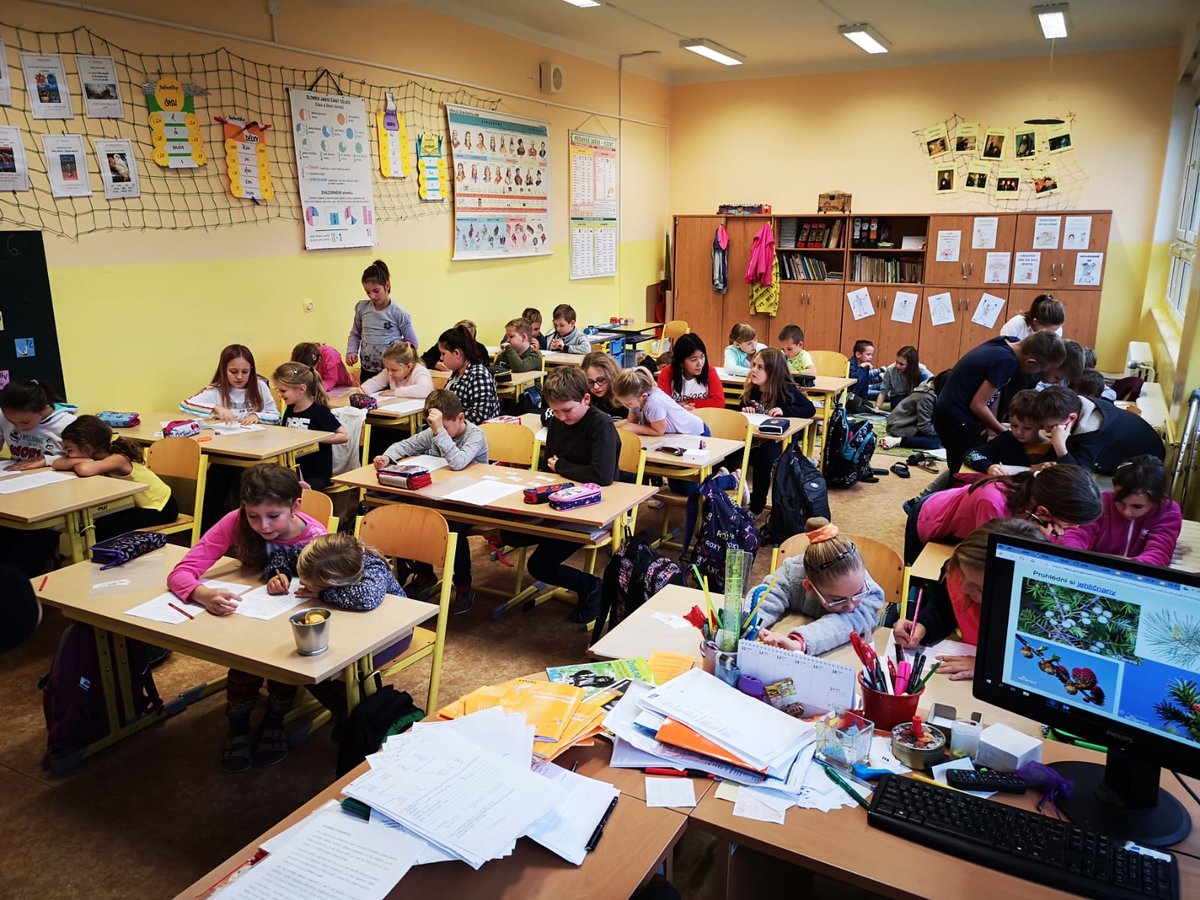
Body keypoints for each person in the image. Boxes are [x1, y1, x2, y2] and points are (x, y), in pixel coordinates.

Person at [167, 465, 326, 772]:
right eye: (253, 516)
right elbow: (183, 571)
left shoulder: (316, 538)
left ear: (296, 506)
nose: (263, 526)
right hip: (248, 617)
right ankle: (238, 723)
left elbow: (329, 592)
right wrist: (202, 594)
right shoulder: (235, 521)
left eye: (273, 516)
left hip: (291, 623)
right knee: (244, 658)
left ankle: (274, 720)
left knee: (284, 661)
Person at [502, 367, 619, 624]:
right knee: (509, 533)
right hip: (560, 502)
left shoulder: (601, 425)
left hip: (594, 509)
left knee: (539, 566)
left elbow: (602, 476)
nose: (561, 417)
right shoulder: (557, 421)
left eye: (567, 410)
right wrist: (559, 469)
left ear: (586, 399)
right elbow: (549, 465)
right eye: (555, 411)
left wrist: (562, 466)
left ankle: (592, 586)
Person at [373, 390, 487, 612]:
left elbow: (458, 462)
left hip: (467, 502)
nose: (437, 433)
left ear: (461, 418)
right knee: (413, 519)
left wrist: (440, 432)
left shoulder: (475, 435)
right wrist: (386, 457)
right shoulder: (436, 430)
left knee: (453, 529)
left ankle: (463, 586)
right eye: (435, 428)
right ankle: (424, 575)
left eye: (444, 427)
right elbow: (405, 445)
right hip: (437, 496)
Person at [893, 519, 1047, 681]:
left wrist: (990, 666)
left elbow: (1040, 665)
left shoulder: (1040, 616)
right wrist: (923, 627)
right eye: (963, 577)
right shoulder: (958, 570)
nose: (965, 589)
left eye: (980, 588)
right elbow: (943, 610)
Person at [906, 464, 1101, 564]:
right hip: (930, 519)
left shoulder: (1038, 504)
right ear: (1044, 511)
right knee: (914, 576)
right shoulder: (992, 502)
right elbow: (989, 555)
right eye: (1071, 522)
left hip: (965, 528)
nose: (1075, 528)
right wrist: (1038, 540)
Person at [933, 331, 1066, 473]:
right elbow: (978, 405)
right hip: (955, 419)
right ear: (1031, 362)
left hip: (953, 414)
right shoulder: (1006, 361)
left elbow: (991, 395)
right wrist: (1006, 434)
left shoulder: (1010, 342)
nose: (1038, 375)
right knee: (962, 469)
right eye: (1040, 371)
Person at [748, 519, 885, 656]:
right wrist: (749, 624)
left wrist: (800, 642)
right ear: (810, 587)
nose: (850, 606)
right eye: (838, 599)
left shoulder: (870, 594)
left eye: (859, 593)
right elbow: (765, 598)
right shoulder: (791, 574)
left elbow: (847, 622)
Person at [53, 415, 179, 541]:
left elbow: (84, 470)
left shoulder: (118, 459)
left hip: (160, 508)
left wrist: (86, 461)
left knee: (104, 526)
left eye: (69, 450)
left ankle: (105, 552)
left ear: (88, 449)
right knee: (97, 522)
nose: (67, 454)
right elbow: (57, 463)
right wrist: (85, 460)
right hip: (142, 506)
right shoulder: (99, 458)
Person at [1058, 454, 1182, 567]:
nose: (1126, 512)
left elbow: (1159, 555)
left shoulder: (1168, 511)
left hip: (1136, 576)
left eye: (1137, 506)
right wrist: (1074, 557)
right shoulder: (1102, 501)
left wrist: (1117, 569)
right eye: (1119, 501)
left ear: (1157, 499)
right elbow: (1074, 534)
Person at [740, 349, 817, 515]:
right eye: (754, 365)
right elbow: (742, 405)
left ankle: (756, 506)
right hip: (756, 436)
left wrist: (785, 411)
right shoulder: (753, 388)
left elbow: (809, 409)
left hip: (779, 440)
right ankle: (730, 496)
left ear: (773, 371)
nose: (754, 370)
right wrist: (746, 408)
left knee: (763, 459)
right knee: (731, 454)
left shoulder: (786, 389)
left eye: (760, 367)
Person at [1035, 385, 1165, 475]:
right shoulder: (1077, 403)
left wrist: (1060, 447)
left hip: (1142, 469)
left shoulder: (1095, 430)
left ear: (1072, 417)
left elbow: (1078, 475)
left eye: (1051, 426)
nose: (1047, 430)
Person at [264, 533, 403, 613]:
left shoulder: (373, 568)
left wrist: (322, 594)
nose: (300, 582)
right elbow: (282, 554)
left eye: (307, 583)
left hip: (397, 627)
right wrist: (280, 573)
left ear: (332, 581)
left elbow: (366, 598)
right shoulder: (318, 558)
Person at [272, 362, 348, 491]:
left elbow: (343, 436)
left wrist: (315, 438)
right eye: (277, 390)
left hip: (316, 474)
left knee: (293, 492)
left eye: (283, 391)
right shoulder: (290, 409)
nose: (279, 394)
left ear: (302, 389)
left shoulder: (319, 411)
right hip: (293, 471)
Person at [346, 259, 419, 383]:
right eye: (367, 292)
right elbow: (355, 334)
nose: (372, 296)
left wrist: (399, 353)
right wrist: (351, 351)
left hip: (391, 372)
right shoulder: (362, 308)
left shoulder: (398, 313)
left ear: (387, 286)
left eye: (376, 291)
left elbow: (412, 343)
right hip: (367, 370)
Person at [181, 344, 280, 425]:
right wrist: (216, 408)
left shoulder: (260, 386)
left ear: (251, 370)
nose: (239, 377)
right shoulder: (216, 391)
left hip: (256, 439)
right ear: (224, 370)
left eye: (245, 372)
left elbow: (276, 417)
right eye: (233, 372)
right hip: (227, 440)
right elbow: (184, 406)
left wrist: (257, 416)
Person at [961, 389, 1051, 474]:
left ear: (1042, 425)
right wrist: (988, 467)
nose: (1019, 432)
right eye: (1014, 425)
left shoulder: (1051, 448)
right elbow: (971, 454)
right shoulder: (1006, 440)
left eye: (1027, 428)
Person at [0, 378, 77, 470]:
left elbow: (86, 459)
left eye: (25, 422)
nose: (18, 427)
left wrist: (47, 460)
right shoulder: (3, 416)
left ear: (44, 409)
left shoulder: (69, 424)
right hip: (17, 472)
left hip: (55, 474)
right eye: (10, 421)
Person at [612, 366, 707, 438]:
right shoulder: (635, 398)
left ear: (643, 396)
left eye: (628, 404)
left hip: (696, 434)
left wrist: (633, 427)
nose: (627, 407)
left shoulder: (654, 402)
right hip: (677, 437)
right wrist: (611, 426)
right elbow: (631, 421)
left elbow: (658, 431)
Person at [439, 324, 501, 424]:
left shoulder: (478, 375)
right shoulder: (457, 373)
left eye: (443, 353)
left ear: (456, 353)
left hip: (474, 431)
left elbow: (480, 416)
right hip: (453, 428)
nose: (441, 358)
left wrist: (445, 418)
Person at [656, 333, 725, 410]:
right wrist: (681, 408)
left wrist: (688, 402)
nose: (700, 363)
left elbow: (719, 402)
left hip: (703, 416)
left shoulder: (709, 371)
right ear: (681, 362)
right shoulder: (667, 373)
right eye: (694, 359)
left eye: (702, 357)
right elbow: (661, 404)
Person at [882, 370, 946, 451]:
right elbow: (924, 426)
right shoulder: (927, 397)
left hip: (912, 423)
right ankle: (897, 440)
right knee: (935, 442)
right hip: (900, 426)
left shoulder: (934, 391)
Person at [357, 340, 433, 399]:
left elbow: (425, 389)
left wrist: (394, 392)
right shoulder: (390, 371)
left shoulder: (419, 371)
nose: (389, 373)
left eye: (394, 370)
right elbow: (376, 382)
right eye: (387, 369)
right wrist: (362, 390)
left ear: (409, 367)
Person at [290, 341, 354, 392]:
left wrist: (311, 390)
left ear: (319, 360)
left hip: (342, 387)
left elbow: (330, 380)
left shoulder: (331, 354)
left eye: (309, 370)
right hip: (323, 387)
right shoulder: (303, 357)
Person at [999, 294, 1065, 340]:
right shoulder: (1016, 324)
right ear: (1035, 322)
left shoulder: (1058, 330)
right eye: (1049, 331)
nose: (1052, 334)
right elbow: (1003, 348)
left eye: (1055, 330)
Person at [582, 350, 625, 418]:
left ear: (611, 376)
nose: (596, 387)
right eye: (590, 382)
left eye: (601, 380)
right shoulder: (585, 397)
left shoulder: (625, 394)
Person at [847, 339, 882, 404]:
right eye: (868, 354)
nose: (871, 357)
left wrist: (864, 400)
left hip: (860, 395)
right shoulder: (850, 365)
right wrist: (862, 367)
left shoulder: (865, 365)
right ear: (858, 354)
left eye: (872, 355)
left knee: (868, 405)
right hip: (849, 396)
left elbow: (864, 386)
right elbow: (854, 380)